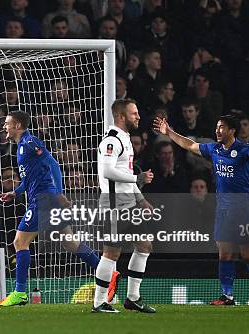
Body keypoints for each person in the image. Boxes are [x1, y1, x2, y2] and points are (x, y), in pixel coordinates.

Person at [0, 111, 117, 307]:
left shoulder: (29, 143)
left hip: (44, 200)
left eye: (7, 123)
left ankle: (19, 292)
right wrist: (16, 192)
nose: (4, 127)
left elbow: (52, 164)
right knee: (70, 243)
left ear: (17, 125)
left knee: (20, 242)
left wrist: (58, 193)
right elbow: (29, 179)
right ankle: (107, 273)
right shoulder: (20, 147)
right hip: (46, 198)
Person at [153, 114, 249, 305]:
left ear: (232, 131)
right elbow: (190, 145)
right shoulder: (214, 149)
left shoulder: (242, 149)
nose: (218, 131)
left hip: (243, 209)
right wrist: (169, 132)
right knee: (224, 254)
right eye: (217, 127)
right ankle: (227, 296)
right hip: (223, 210)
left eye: (222, 127)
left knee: (247, 255)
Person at [93, 99, 156, 313]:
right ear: (121, 116)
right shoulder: (111, 141)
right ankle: (100, 302)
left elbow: (124, 175)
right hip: (113, 204)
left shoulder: (125, 139)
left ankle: (132, 298)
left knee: (145, 245)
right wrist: (137, 178)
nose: (138, 117)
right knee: (111, 253)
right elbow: (108, 172)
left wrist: (140, 199)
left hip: (128, 204)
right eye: (134, 113)